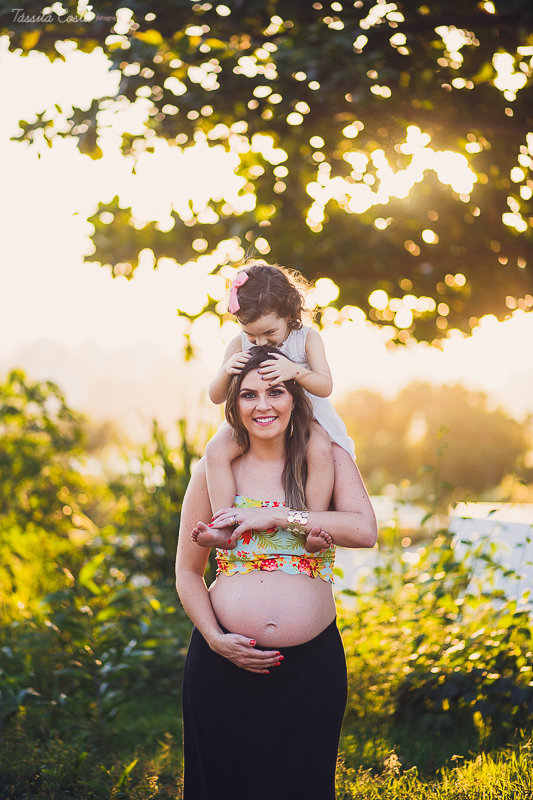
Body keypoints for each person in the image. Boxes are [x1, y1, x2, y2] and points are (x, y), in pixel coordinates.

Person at [175, 345, 377, 800]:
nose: (262, 405)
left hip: (310, 670)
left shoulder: (327, 458)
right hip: (222, 661)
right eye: (248, 395)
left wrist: (284, 517)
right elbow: (188, 573)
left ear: (295, 396)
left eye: (275, 391)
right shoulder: (214, 469)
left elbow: (364, 531)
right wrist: (212, 637)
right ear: (234, 404)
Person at [196, 261, 357, 553]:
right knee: (215, 450)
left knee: (320, 451)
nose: (259, 342)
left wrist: (295, 371)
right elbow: (215, 396)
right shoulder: (238, 343)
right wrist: (226, 371)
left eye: (268, 332)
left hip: (306, 414)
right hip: (257, 417)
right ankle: (224, 525)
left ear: (287, 314)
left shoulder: (306, 339)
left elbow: (325, 385)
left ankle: (312, 524)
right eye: (251, 334)